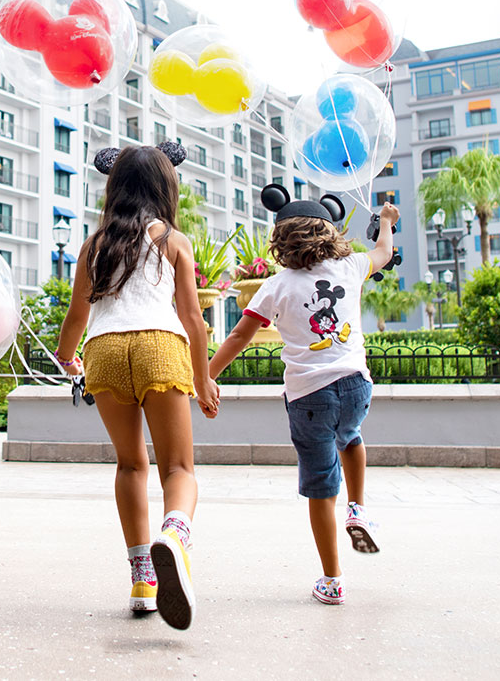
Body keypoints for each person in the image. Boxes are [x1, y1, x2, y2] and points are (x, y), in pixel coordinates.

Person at [54, 143, 219, 631]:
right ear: (165, 187)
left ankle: (143, 582)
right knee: (179, 468)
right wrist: (203, 379)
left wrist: (67, 357)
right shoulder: (173, 239)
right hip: (160, 346)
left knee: (130, 465)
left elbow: (76, 317)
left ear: (116, 187)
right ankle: (175, 535)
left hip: (104, 351)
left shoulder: (95, 244)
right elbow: (193, 318)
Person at [208, 184, 399, 606]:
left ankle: (332, 580)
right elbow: (384, 252)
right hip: (356, 385)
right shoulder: (351, 266)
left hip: (309, 396)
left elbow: (239, 336)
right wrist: (386, 221)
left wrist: (206, 376)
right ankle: (358, 508)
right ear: (330, 231)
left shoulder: (276, 285)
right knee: (350, 437)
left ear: (281, 240)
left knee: (320, 486)